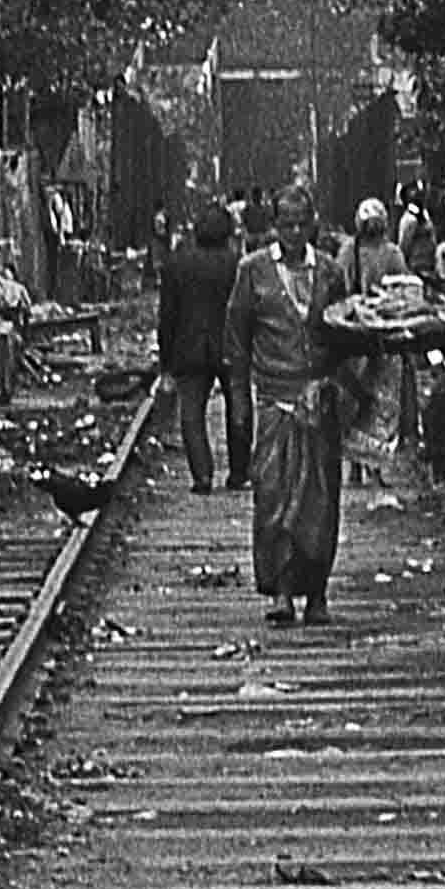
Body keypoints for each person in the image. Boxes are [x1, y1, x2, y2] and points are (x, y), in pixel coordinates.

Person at [230, 200, 348, 623]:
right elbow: (237, 341)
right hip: (274, 400)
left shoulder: (331, 272)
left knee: (320, 498)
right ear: (275, 226)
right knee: (273, 494)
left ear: (313, 224)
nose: (295, 232)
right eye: (287, 224)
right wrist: (240, 402)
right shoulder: (252, 270)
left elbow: (346, 330)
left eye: (302, 224)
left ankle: (317, 592)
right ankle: (281, 590)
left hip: (321, 400)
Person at [157, 206, 248, 495]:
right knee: (239, 410)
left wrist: (165, 361)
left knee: (192, 413)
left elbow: (167, 315)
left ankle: (202, 475)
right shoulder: (239, 265)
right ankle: (238, 472)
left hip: (189, 348)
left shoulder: (176, 264)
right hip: (232, 348)